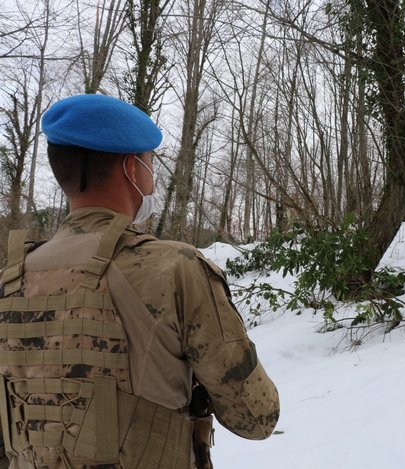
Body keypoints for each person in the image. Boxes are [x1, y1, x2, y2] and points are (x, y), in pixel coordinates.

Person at [0, 94, 279, 468]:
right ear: (132, 168)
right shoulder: (174, 268)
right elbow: (256, 417)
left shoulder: (9, 281)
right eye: (150, 162)